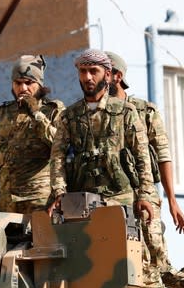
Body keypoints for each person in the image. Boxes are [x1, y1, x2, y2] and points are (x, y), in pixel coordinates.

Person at [105, 51, 184, 288]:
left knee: (153, 254)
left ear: (117, 76)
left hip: (144, 194)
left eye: (106, 73)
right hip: (110, 196)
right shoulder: (94, 113)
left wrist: (172, 200)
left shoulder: (144, 111)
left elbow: (163, 154)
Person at [48, 48, 154, 220]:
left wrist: (145, 195)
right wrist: (60, 192)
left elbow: (142, 155)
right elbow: (57, 157)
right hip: (82, 201)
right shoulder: (69, 116)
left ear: (107, 74)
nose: (88, 77)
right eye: (83, 71)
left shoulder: (125, 111)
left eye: (93, 71)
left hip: (121, 199)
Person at [0, 55, 65, 214]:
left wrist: (35, 113)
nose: (23, 89)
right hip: (7, 206)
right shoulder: (1, 114)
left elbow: (59, 145)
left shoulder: (53, 111)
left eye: (29, 83)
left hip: (40, 203)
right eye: (18, 83)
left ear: (40, 84)